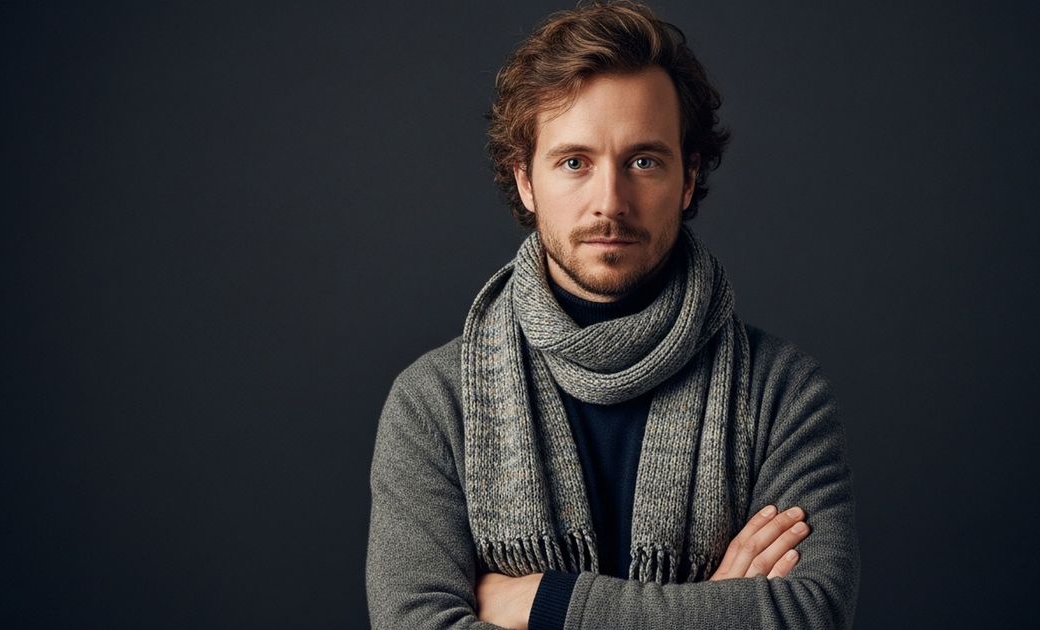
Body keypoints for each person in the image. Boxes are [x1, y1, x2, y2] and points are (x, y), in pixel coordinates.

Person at [365, 2, 860, 628]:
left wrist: (546, 602)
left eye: (643, 161)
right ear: (524, 179)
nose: (610, 201)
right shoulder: (436, 403)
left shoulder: (782, 393)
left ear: (688, 177)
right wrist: (711, 609)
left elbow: (810, 615)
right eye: (574, 162)